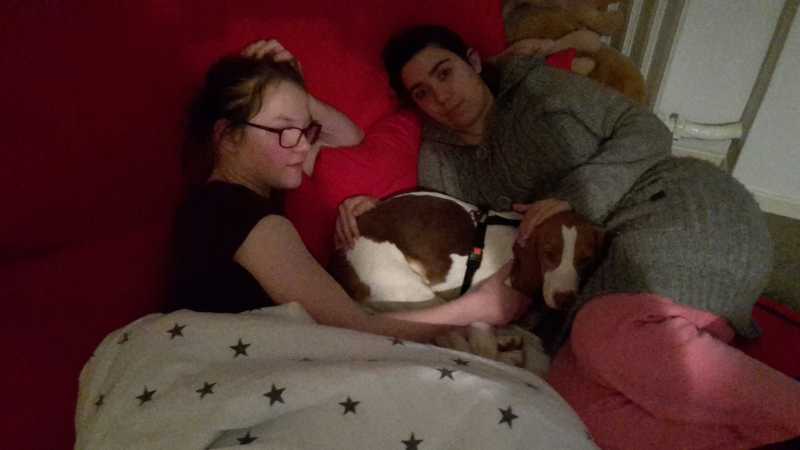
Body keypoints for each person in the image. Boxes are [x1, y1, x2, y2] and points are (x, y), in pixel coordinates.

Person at [335, 25, 800, 449]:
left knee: (604, 334)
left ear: (473, 62)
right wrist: (372, 208)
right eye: (423, 92)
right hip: (598, 279)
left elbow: (647, 131)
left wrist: (571, 199)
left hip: (671, 205)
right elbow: (462, 234)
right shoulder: (438, 161)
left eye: (445, 72)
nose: (442, 96)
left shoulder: (539, 88)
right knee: (570, 406)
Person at [169, 39, 530, 343]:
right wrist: (481, 307)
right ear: (227, 136)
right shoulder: (234, 212)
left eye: (305, 129)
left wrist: (291, 90)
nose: (301, 145)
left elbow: (349, 141)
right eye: (283, 130)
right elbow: (355, 329)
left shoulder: (220, 205)